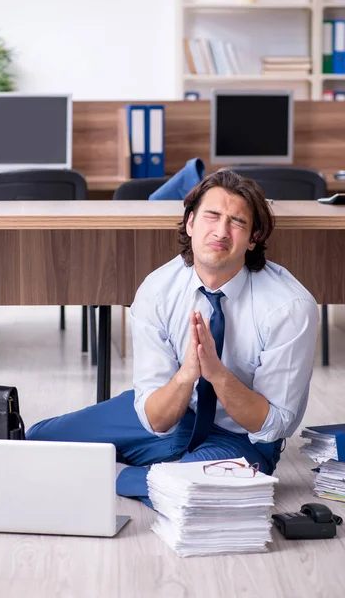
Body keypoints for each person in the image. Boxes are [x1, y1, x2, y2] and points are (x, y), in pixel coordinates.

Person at [27, 170, 319, 508]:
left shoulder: (289, 307)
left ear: (253, 238)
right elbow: (155, 417)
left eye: (237, 222)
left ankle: (124, 476)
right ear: (191, 223)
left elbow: (272, 425)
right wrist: (186, 375)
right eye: (212, 216)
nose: (221, 232)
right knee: (36, 441)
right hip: (176, 414)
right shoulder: (158, 290)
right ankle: (159, 474)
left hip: (241, 438)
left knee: (195, 497)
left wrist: (217, 374)